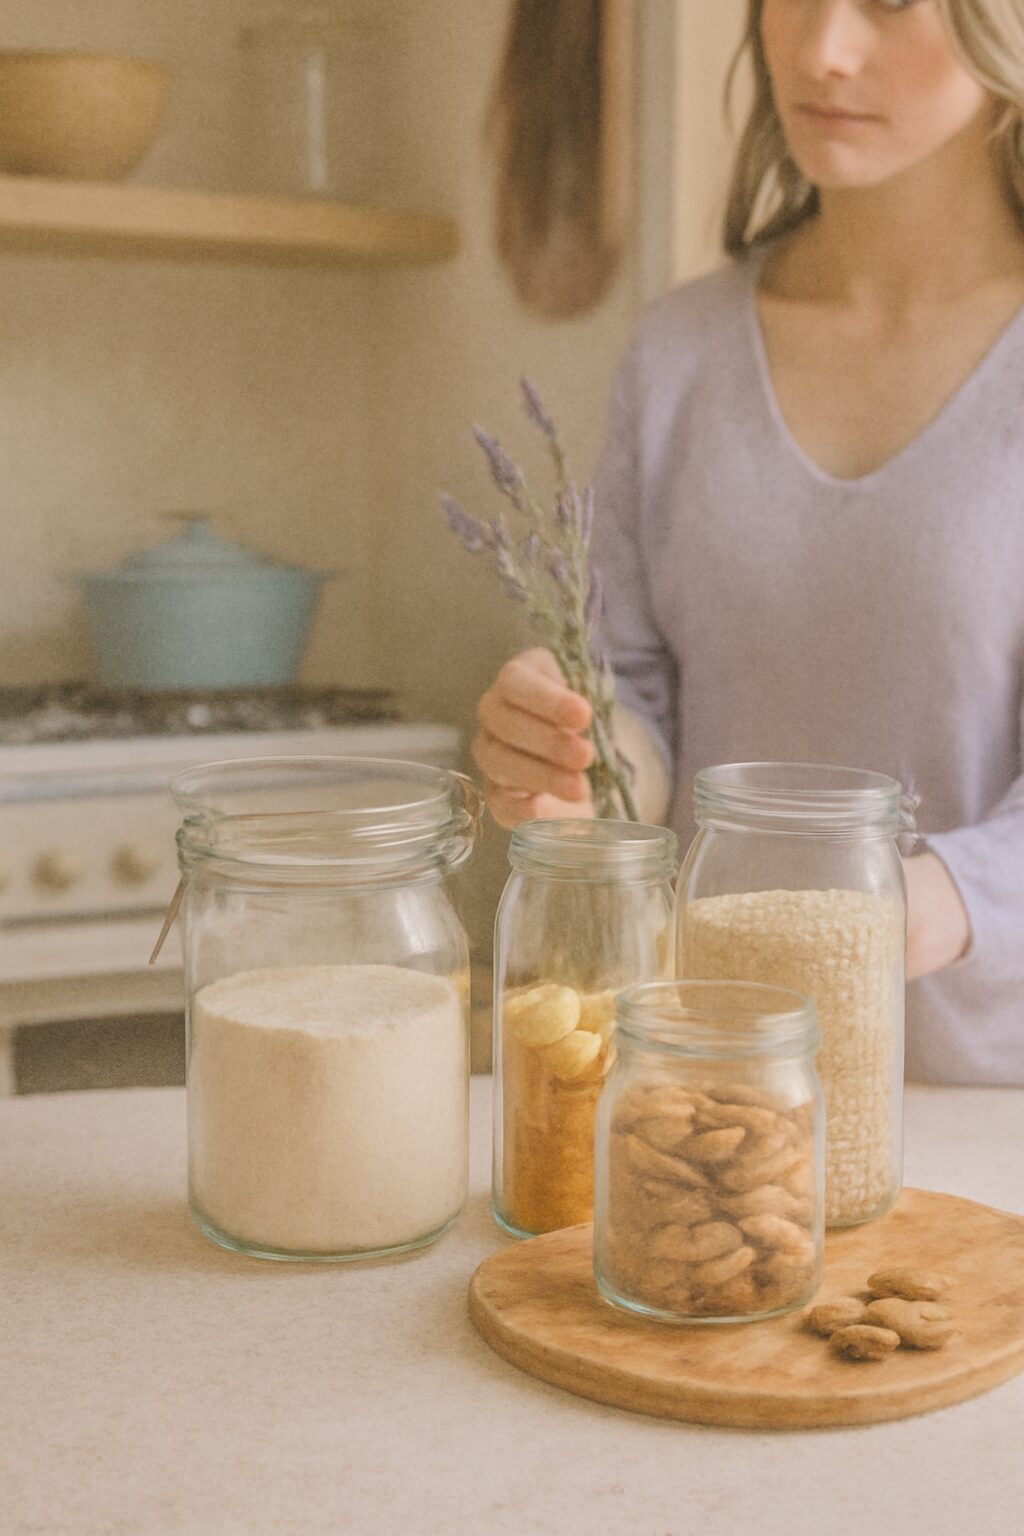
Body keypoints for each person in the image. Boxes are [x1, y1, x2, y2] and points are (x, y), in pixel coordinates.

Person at [472, 0, 1024, 1085]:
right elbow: (638, 704)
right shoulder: (678, 350)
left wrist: (897, 909)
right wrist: (575, 763)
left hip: (989, 1114)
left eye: (888, 4)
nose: (821, 49)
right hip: (711, 1097)